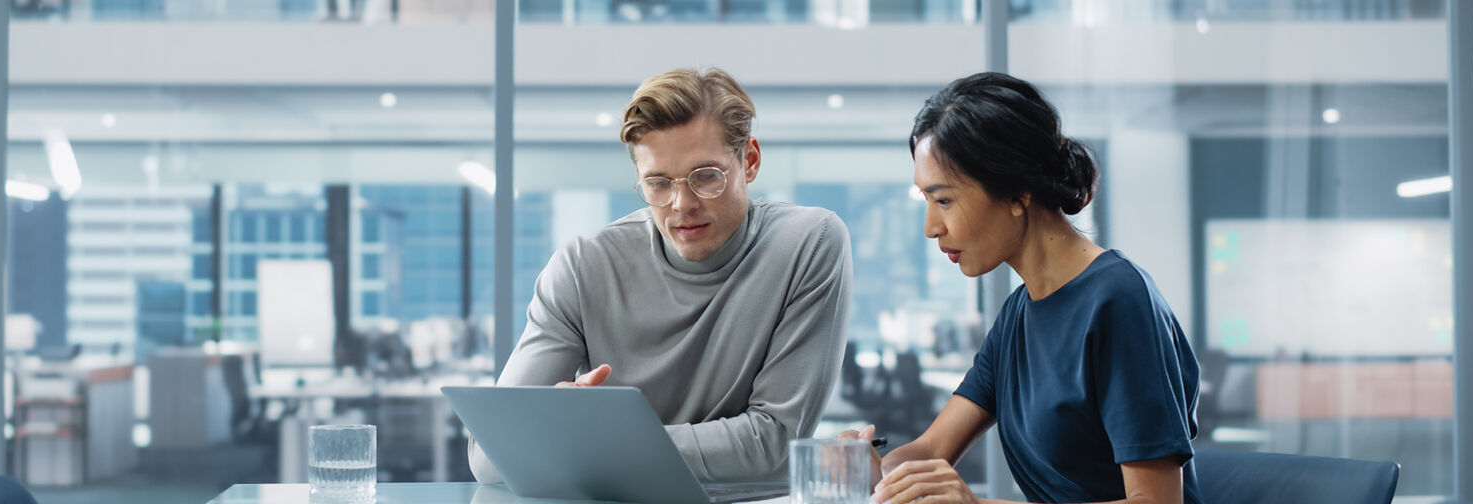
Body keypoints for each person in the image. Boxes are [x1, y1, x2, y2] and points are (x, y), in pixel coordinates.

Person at [467, 67, 854, 484]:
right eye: (658, 183)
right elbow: (490, 454)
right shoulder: (582, 266)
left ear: (751, 161)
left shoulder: (809, 243)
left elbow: (773, 444)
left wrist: (584, 443)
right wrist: (569, 434)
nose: (681, 204)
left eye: (706, 176)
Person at [840, 72, 1202, 504]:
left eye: (944, 200)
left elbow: (1157, 502)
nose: (931, 228)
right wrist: (874, 470)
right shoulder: (1019, 313)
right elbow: (931, 449)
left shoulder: (1119, 300)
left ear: (1016, 192)